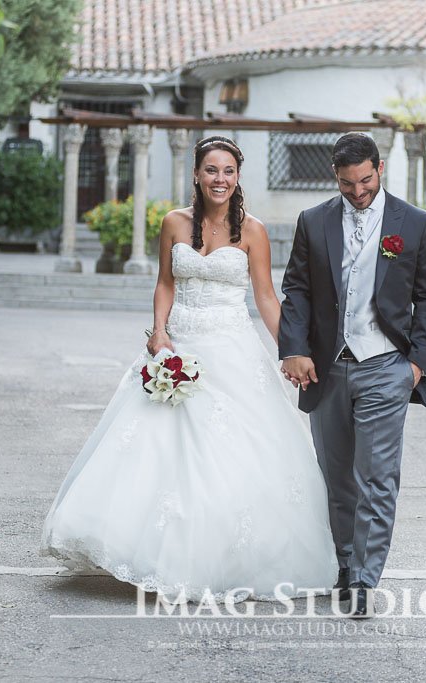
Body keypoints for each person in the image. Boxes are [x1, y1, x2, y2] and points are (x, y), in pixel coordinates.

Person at [42, 136, 337, 603]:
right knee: (155, 447)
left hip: (231, 348)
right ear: (196, 174)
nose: (220, 179)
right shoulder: (174, 223)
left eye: (228, 171)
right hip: (178, 346)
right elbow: (165, 282)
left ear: (238, 177)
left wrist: (291, 350)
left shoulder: (253, 231)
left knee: (231, 453)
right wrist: (159, 332)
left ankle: (223, 558)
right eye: (211, 170)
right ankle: (148, 552)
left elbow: (265, 296)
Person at [279, 132, 426, 618]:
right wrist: (295, 349)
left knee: (376, 477)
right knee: (336, 476)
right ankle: (345, 563)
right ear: (336, 176)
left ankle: (364, 580)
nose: (358, 192)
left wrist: (416, 364)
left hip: (386, 365)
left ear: (380, 168)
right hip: (327, 368)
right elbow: (297, 290)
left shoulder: (415, 223)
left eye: (366, 181)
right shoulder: (314, 221)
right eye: (348, 183)